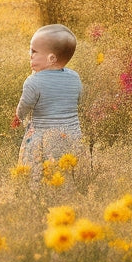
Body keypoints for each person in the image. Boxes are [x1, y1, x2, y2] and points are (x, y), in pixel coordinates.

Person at [13, 24, 83, 180]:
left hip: (43, 136)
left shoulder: (33, 82)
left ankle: (37, 189)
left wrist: (19, 116)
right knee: (67, 169)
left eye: (34, 51)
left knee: (38, 168)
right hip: (72, 134)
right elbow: (79, 100)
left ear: (51, 58)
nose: (30, 55)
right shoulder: (75, 77)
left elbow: (25, 106)